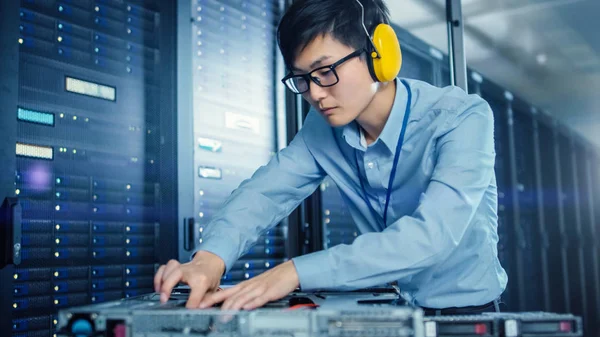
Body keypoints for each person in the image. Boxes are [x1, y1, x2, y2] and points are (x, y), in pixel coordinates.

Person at [154, 0, 508, 315]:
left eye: (325, 72)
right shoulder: (322, 130)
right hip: (390, 312)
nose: (316, 94)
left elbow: (432, 237)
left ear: (378, 54)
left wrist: (293, 272)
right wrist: (210, 259)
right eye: (302, 79)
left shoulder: (461, 117)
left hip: (468, 315)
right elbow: (264, 193)